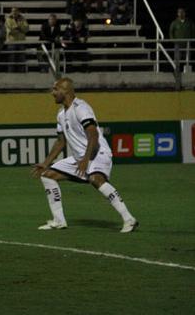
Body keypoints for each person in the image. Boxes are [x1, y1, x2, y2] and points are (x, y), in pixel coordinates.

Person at [32, 78, 138, 233]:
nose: (52, 93)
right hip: (81, 157)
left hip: (97, 153)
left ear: (65, 91)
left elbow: (93, 135)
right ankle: (58, 221)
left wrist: (86, 160)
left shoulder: (81, 108)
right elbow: (61, 141)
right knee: (47, 175)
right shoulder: (61, 114)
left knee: (96, 179)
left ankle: (129, 219)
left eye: (55, 89)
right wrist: (46, 163)